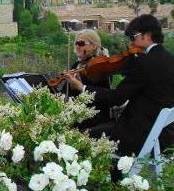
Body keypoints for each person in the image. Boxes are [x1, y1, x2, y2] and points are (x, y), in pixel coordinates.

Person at [65, 14, 174, 155]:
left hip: (138, 135)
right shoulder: (168, 59)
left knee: (81, 135)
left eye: (133, 37)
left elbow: (116, 98)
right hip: (164, 134)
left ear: (147, 35)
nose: (130, 43)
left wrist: (81, 87)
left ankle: (109, 175)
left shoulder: (145, 63)